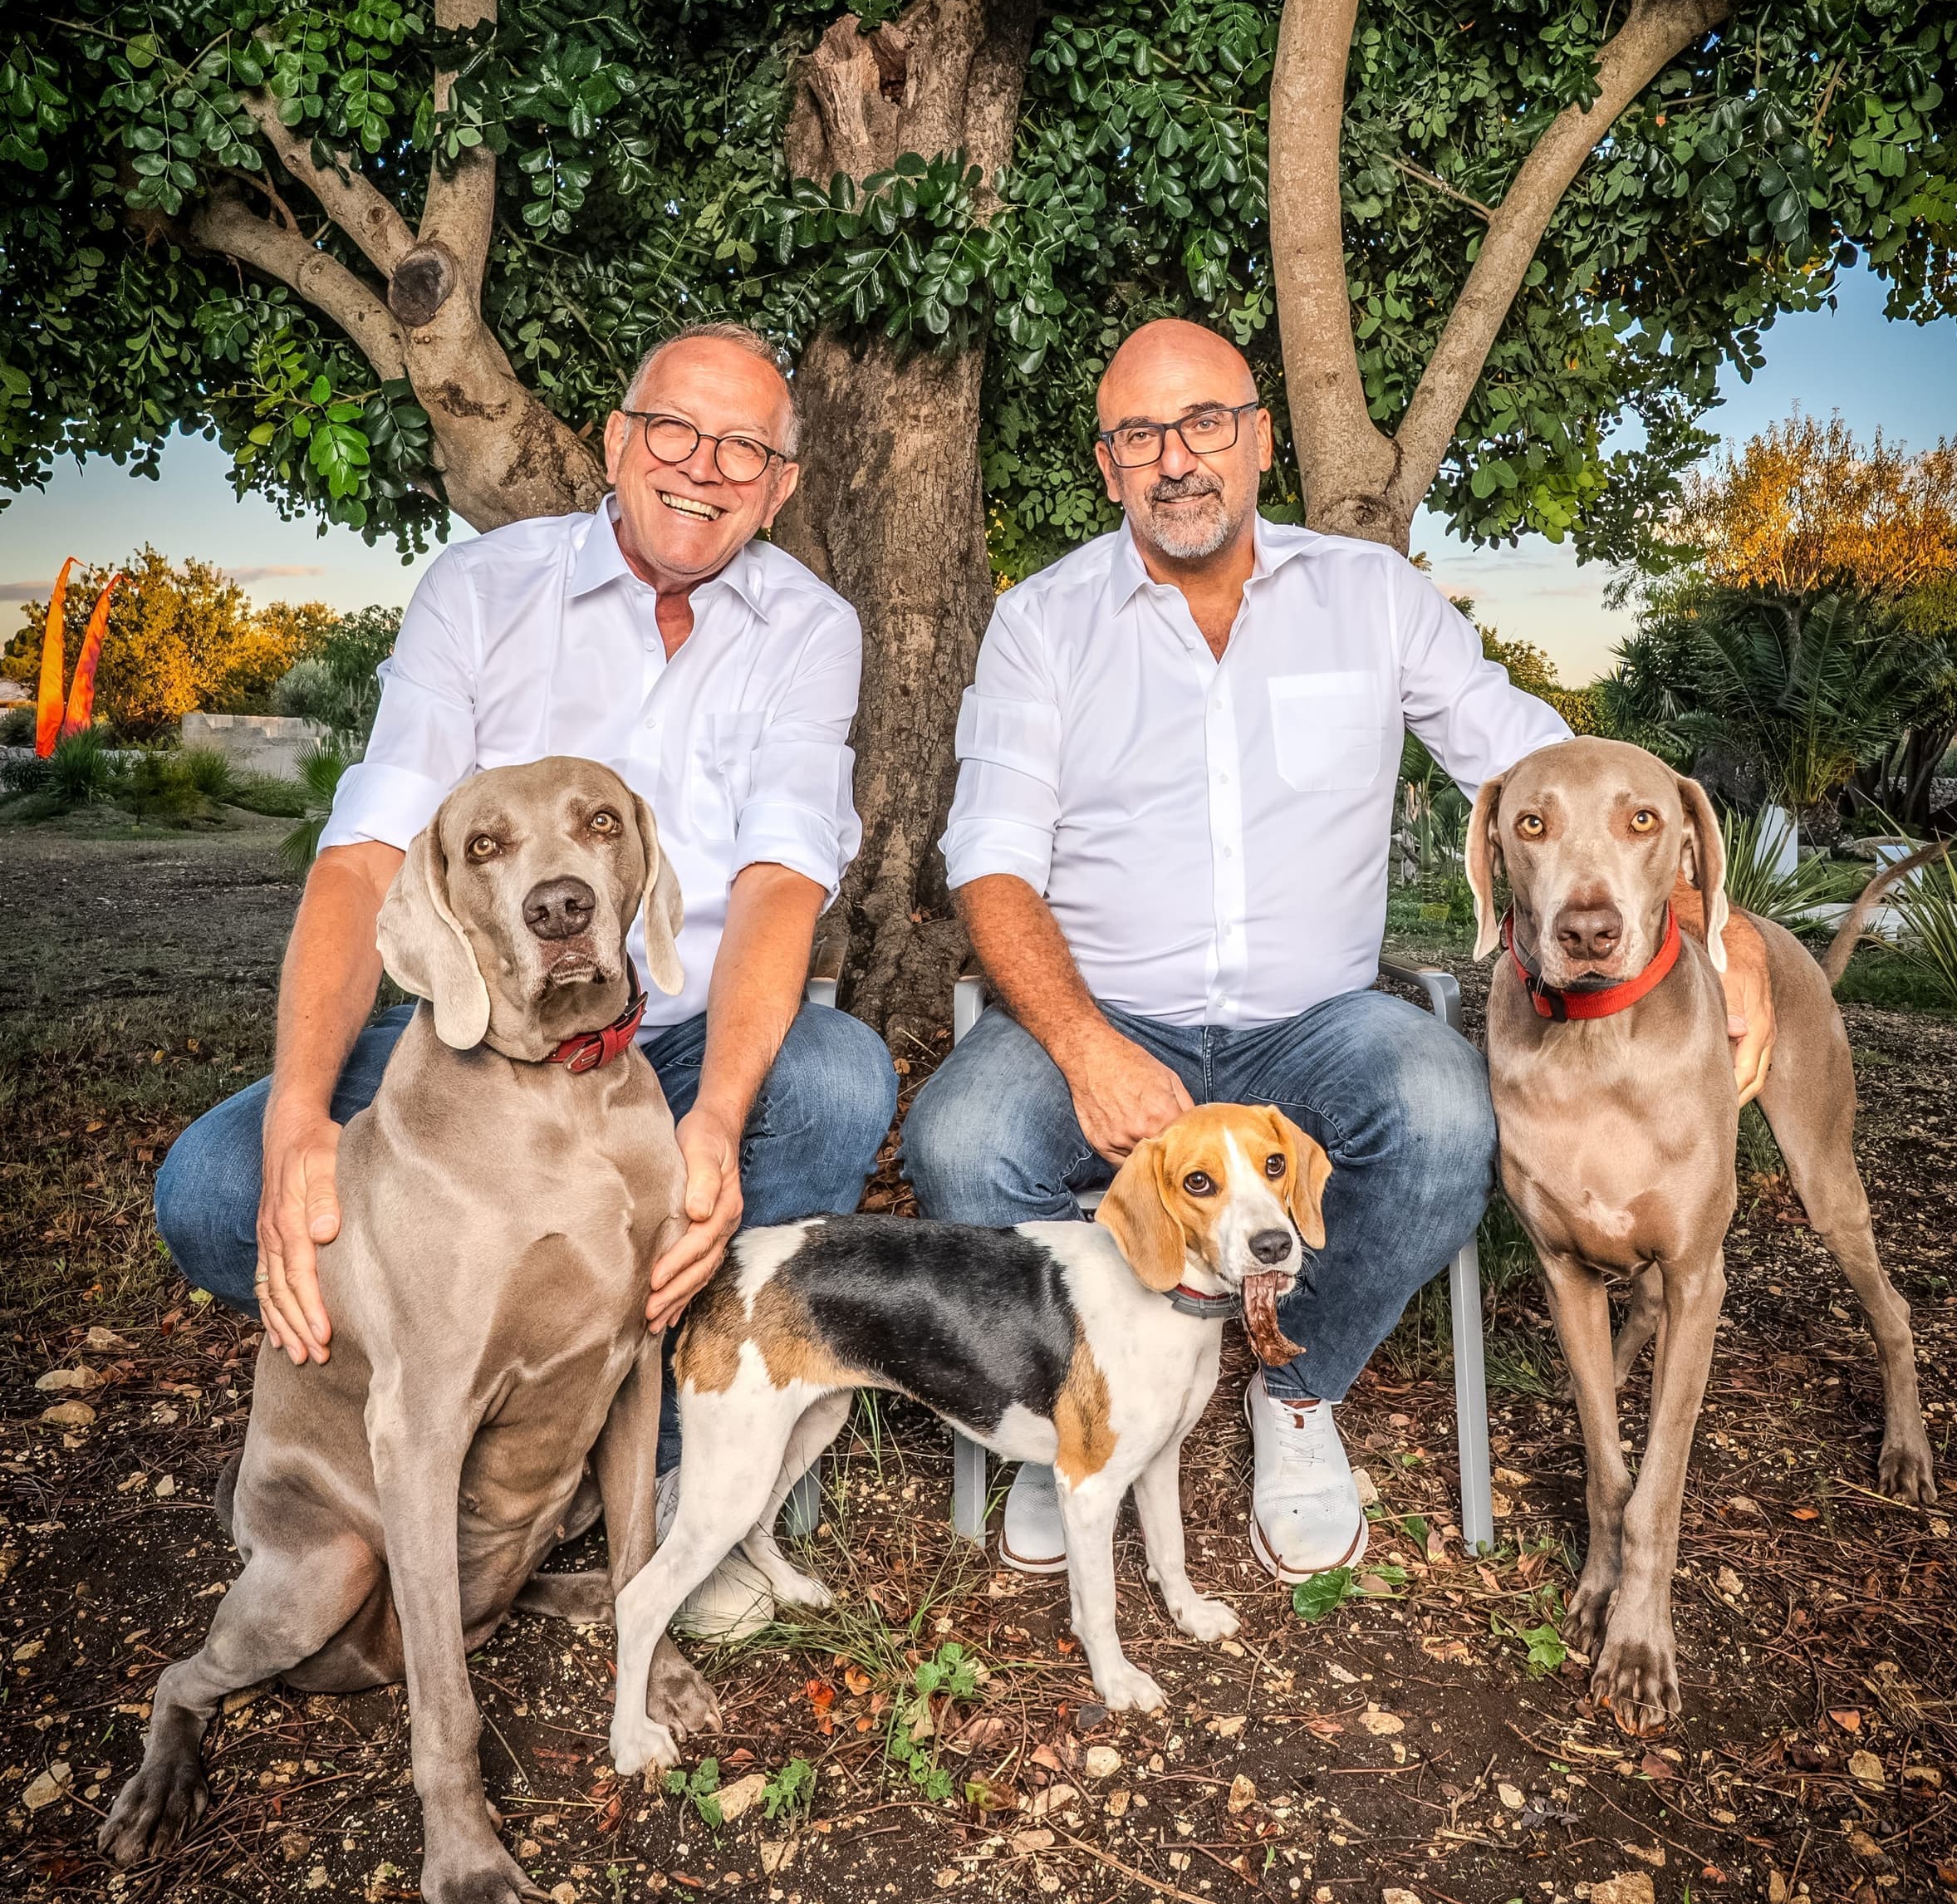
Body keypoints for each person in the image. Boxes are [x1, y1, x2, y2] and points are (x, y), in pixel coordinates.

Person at [900, 317, 1773, 1584]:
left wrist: (1710, 922)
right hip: (1108, 1011)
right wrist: (1083, 1045)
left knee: (1442, 1111)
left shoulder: (1373, 598)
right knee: (959, 1144)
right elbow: (990, 861)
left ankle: (1293, 1388)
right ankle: (1073, 1418)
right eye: (1140, 435)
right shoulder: (1044, 623)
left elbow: (1543, 770)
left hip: (1312, 1025)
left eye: (1205, 423)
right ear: (1108, 468)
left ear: (1258, 440)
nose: (1176, 458)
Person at [154, 321, 898, 1632]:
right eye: (675, 429)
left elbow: (785, 880)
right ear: (618, 441)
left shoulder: (810, 628)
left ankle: (672, 1494)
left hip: (662, 1039)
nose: (703, 468)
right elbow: (363, 856)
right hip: (472, 1045)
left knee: (834, 1085)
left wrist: (716, 1117)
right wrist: (297, 1119)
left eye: (745, 450)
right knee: (219, 1188)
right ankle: (439, 1433)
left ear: (781, 487)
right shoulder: (483, 592)